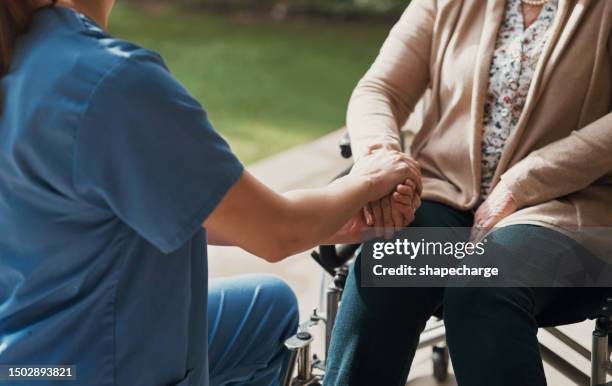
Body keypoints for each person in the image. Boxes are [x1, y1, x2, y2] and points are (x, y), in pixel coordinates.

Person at [0, 1, 421, 386]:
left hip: (25, 360)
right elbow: (279, 231)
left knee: (268, 306)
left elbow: (179, 200)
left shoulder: (27, 55)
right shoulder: (111, 84)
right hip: (93, 368)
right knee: (400, 270)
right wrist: (370, 172)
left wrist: (332, 214)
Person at [325, 0, 612, 385]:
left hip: (570, 211)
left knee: (482, 284)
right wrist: (380, 161)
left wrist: (522, 183)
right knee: (390, 262)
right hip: (450, 194)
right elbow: (380, 89)